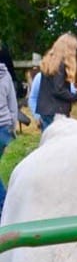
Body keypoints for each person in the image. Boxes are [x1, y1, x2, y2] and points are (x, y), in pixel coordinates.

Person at [37, 33, 77, 131]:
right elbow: (59, 90)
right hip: (56, 111)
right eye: (74, 48)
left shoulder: (49, 62)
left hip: (45, 109)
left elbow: (53, 87)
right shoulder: (60, 65)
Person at [0, 60, 17, 212]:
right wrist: (13, 125)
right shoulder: (5, 74)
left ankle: (4, 205)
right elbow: (12, 102)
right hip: (5, 126)